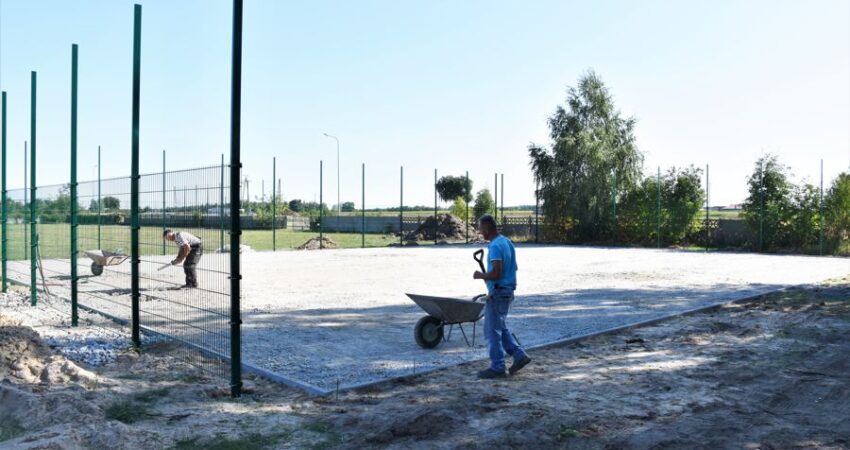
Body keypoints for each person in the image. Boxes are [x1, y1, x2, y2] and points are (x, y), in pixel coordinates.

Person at [473, 214, 531, 379]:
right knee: (501, 328)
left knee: (491, 331)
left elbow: (497, 272)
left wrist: (481, 275)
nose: (479, 231)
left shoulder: (495, 246)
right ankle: (519, 355)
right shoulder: (507, 242)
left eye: (480, 228)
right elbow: (513, 268)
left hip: (499, 293)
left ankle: (497, 367)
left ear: (486, 229)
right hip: (507, 291)